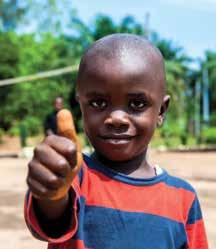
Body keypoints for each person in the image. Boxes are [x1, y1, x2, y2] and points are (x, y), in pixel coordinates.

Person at [24, 34, 208, 249]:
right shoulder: (76, 177)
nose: (117, 119)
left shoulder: (183, 198)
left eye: (137, 104)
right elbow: (50, 218)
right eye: (99, 102)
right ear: (81, 105)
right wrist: (50, 191)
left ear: (161, 110)